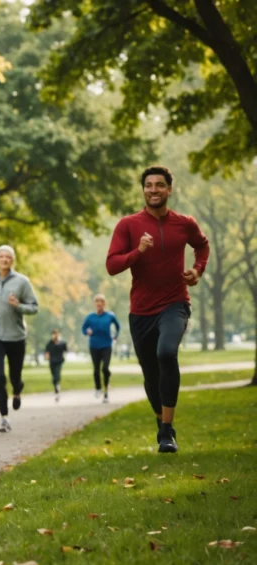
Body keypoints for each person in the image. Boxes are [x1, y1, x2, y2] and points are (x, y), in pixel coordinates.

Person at [106, 165, 209, 454]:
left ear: (169, 189)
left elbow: (202, 246)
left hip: (175, 303)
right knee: (151, 374)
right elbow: (112, 265)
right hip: (140, 311)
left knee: (166, 352)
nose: (154, 190)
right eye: (149, 185)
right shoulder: (128, 225)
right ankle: (160, 422)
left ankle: (167, 429)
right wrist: (137, 252)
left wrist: (198, 270)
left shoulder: (184, 223)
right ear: (143, 190)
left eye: (160, 185)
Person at [0, 245, 39, 433]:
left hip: (16, 336)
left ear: (12, 260)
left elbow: (34, 307)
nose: (4, 259)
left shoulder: (22, 282)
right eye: (1, 256)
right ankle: (4, 417)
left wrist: (18, 305)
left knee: (14, 376)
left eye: (8, 257)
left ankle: (17, 390)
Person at [82, 293, 121, 403]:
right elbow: (83, 328)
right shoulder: (90, 317)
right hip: (94, 346)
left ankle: (106, 391)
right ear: (95, 304)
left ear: (104, 304)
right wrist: (87, 331)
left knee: (105, 368)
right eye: (97, 302)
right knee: (96, 369)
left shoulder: (110, 316)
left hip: (106, 345)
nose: (99, 304)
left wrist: (115, 337)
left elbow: (118, 327)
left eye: (101, 302)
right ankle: (98, 388)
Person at [44, 329, 68, 402]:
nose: (55, 335)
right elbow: (47, 352)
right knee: (53, 375)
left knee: (57, 375)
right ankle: (56, 386)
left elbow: (65, 351)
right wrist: (46, 356)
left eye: (56, 334)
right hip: (52, 361)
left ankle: (57, 387)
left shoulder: (62, 343)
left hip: (59, 361)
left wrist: (64, 356)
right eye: (54, 334)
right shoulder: (49, 343)